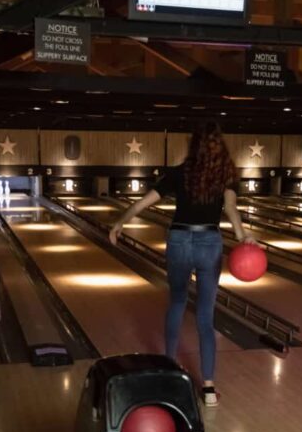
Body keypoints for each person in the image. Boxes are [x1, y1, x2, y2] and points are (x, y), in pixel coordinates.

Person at [109, 122, 256, 406]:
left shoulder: (179, 173)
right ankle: (209, 388)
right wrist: (242, 236)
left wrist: (119, 222)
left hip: (178, 241)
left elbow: (143, 203)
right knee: (205, 317)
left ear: (193, 146)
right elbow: (231, 209)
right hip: (209, 243)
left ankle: (169, 369)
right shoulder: (225, 175)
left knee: (177, 302)